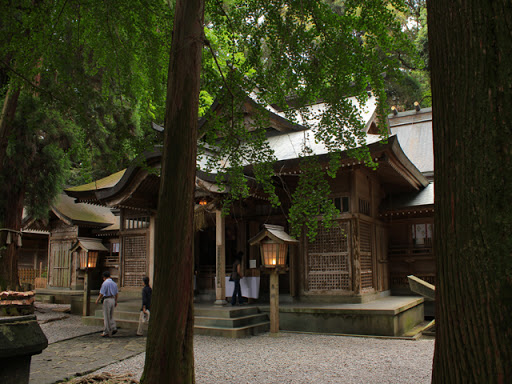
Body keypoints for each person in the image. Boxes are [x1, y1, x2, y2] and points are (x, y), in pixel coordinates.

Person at [95, 271, 118, 337]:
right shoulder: (114, 283)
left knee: (106, 316)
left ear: (104, 277)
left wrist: (97, 300)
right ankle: (114, 327)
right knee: (111, 315)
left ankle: (106, 331)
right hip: (113, 299)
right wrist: (116, 301)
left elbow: (101, 293)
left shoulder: (105, 283)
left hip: (107, 299)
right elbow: (116, 293)